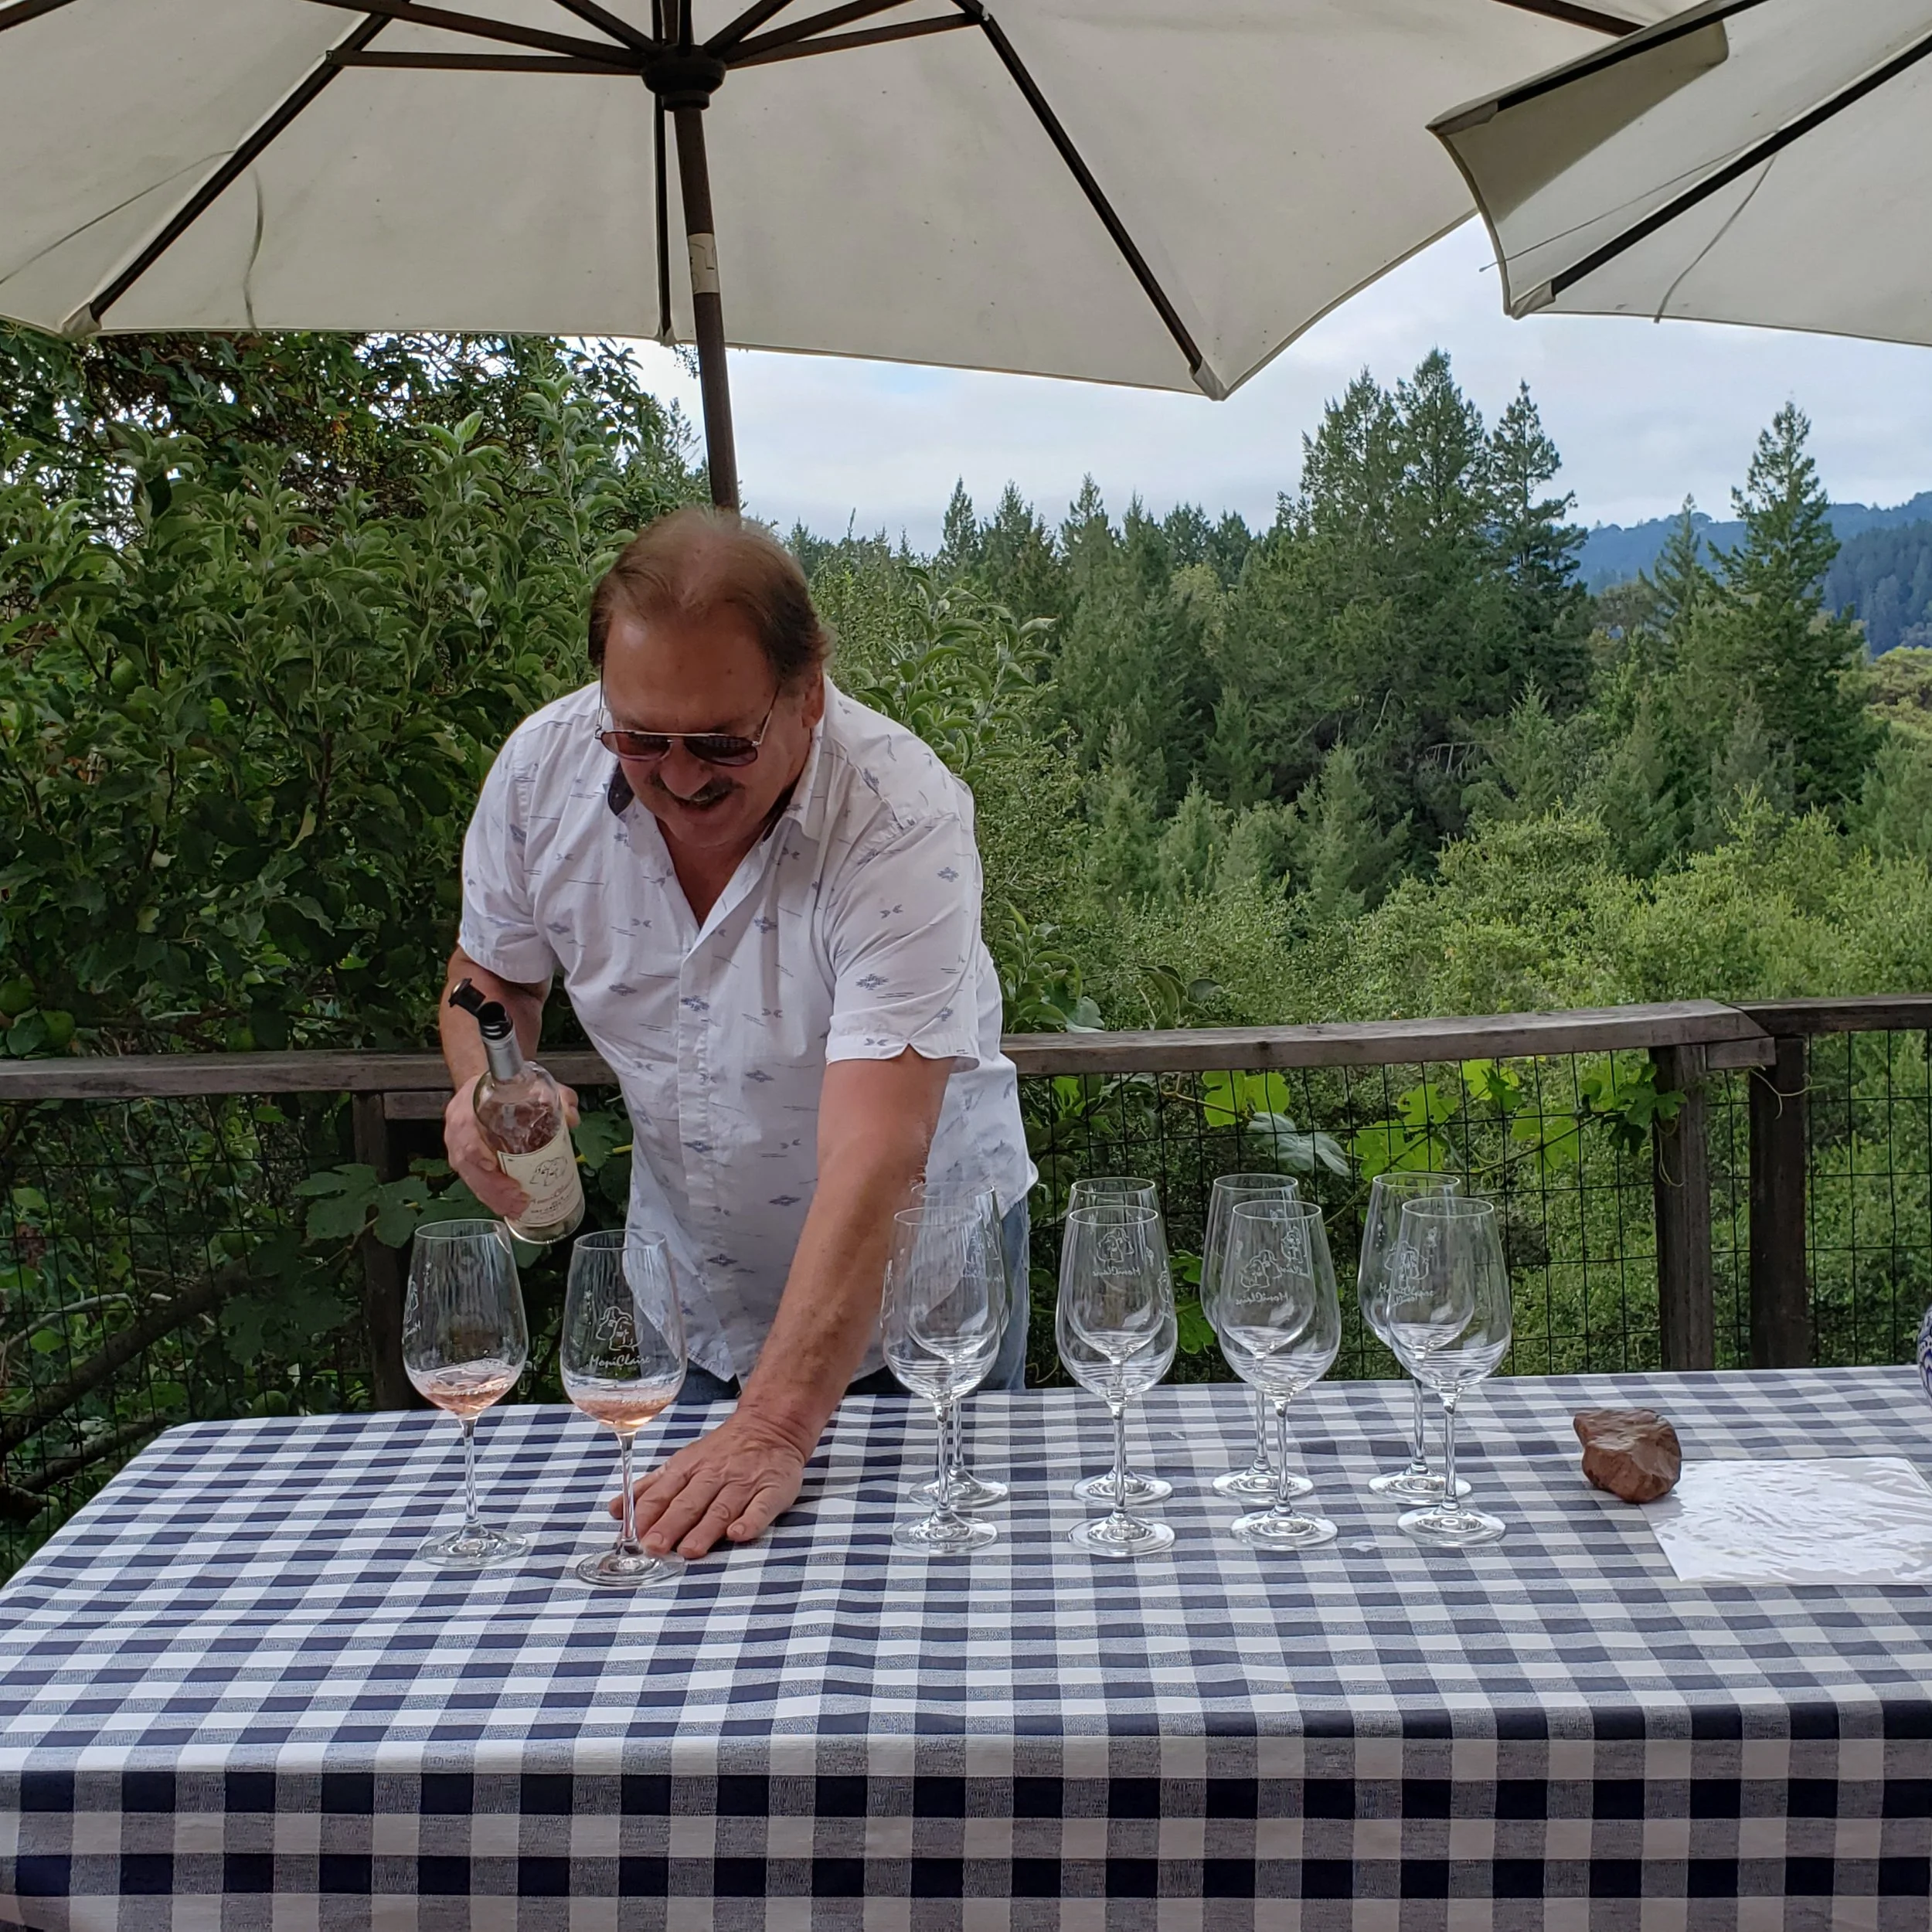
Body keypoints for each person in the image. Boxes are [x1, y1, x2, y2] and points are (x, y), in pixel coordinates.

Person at [441, 507, 1032, 1560]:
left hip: (920, 1302)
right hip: (690, 1288)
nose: (678, 776)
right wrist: (488, 1084)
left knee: (950, 1599)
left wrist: (774, 1426)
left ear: (808, 694)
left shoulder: (900, 815)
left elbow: (878, 1151)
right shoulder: (540, 775)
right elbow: (488, 975)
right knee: (694, 1605)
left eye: (722, 741)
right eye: (639, 738)